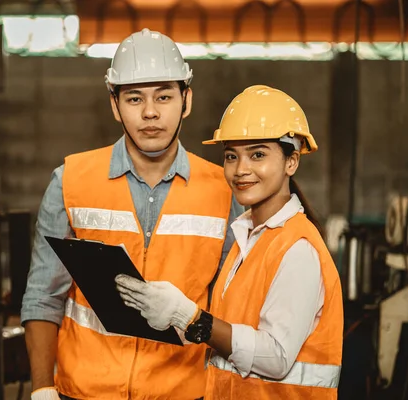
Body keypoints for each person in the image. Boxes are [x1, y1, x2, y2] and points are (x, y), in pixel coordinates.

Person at [21, 28, 243, 400]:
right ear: (114, 105)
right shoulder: (70, 181)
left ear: (186, 100)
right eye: (135, 98)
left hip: (182, 393)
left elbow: (232, 312)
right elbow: (43, 297)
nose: (150, 112)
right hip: (85, 392)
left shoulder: (224, 191)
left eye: (164, 96)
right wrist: (42, 388)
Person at [116, 85, 344, 399]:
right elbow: (233, 332)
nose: (241, 170)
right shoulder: (247, 239)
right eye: (231, 156)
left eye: (258, 155)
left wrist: (190, 317)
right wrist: (174, 319)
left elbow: (275, 357)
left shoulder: (297, 248)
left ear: (292, 161)